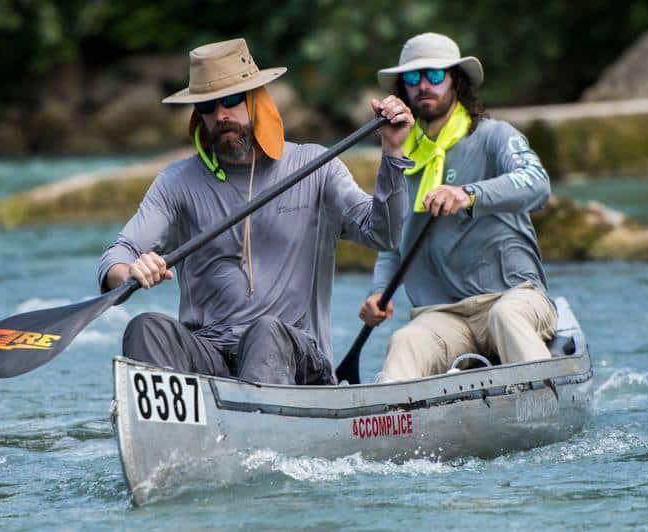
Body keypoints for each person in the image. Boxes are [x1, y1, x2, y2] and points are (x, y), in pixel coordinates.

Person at [99, 38, 414, 385]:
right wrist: (129, 270)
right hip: (210, 354)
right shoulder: (176, 183)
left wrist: (393, 152)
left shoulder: (317, 166)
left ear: (256, 99)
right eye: (207, 104)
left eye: (232, 100)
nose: (221, 115)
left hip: (296, 355)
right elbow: (117, 254)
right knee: (145, 328)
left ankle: (260, 429)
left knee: (264, 332)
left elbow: (383, 234)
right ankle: (167, 432)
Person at [359, 33, 557, 382]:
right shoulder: (398, 158)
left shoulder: (495, 136)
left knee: (505, 317)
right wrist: (378, 291)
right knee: (406, 340)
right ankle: (389, 427)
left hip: (513, 298)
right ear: (403, 89)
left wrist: (469, 194)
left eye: (434, 75)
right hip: (443, 316)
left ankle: (543, 398)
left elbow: (538, 183)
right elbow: (393, 242)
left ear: (456, 80)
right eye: (412, 78)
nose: (423, 86)